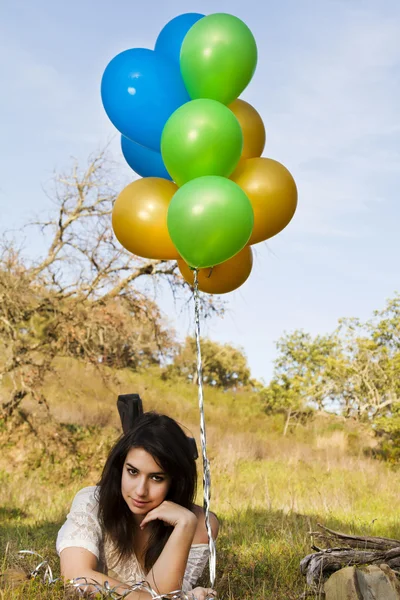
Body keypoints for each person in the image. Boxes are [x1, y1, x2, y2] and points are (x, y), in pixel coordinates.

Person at [56, 412, 219, 600]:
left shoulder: (198, 523)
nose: (141, 490)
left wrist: (185, 525)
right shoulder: (92, 502)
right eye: (133, 472)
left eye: (157, 478)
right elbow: (75, 577)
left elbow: (165, 593)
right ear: (120, 467)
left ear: (175, 481)